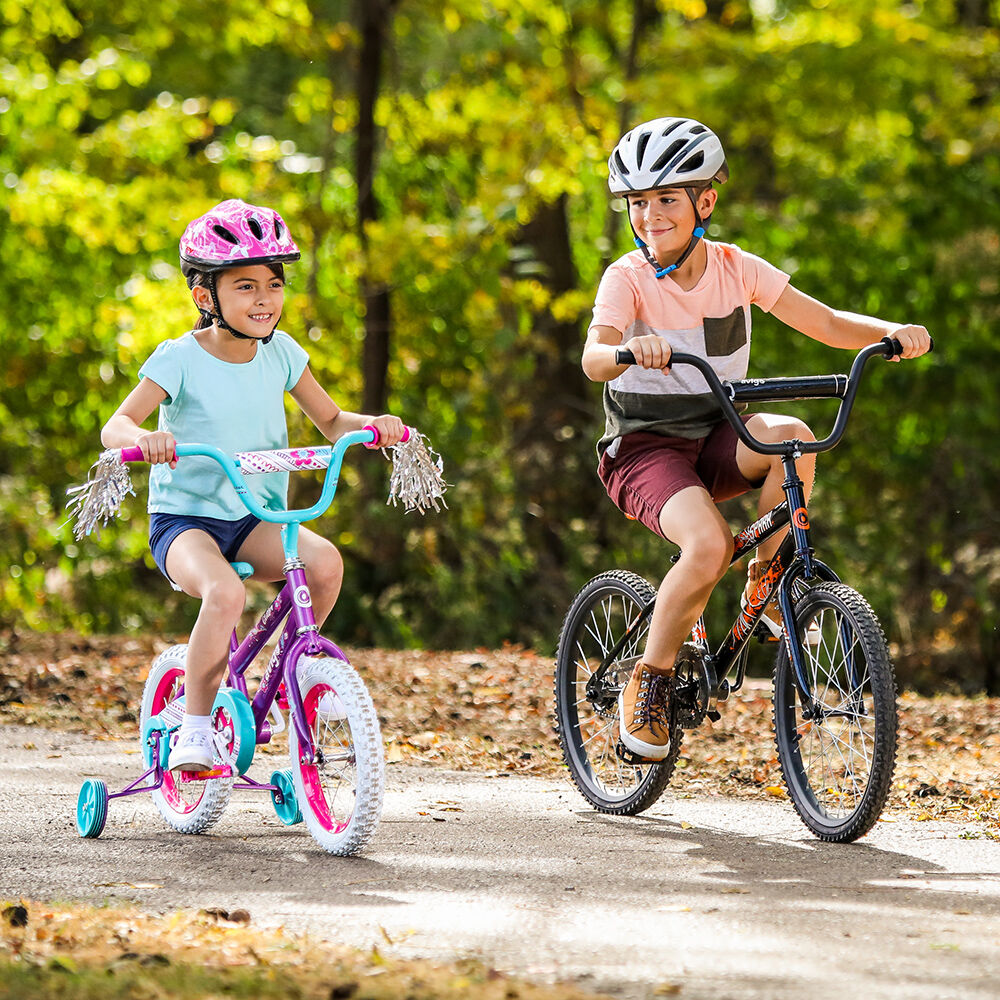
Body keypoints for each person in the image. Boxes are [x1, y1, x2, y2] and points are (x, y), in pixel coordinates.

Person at [582, 117, 932, 762]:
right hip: (644, 449)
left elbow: (823, 321)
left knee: (792, 436)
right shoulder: (625, 277)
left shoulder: (735, 269)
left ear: (704, 203)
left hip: (719, 432)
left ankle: (766, 580)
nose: (650, 215)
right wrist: (631, 349)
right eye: (637, 203)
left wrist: (893, 332)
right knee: (708, 542)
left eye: (666, 199)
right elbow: (594, 359)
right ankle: (648, 683)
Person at [101, 199, 406, 771]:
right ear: (206, 297)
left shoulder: (284, 354)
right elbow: (115, 425)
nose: (264, 299)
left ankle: (291, 678)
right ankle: (194, 727)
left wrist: (376, 426)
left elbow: (333, 421)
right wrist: (146, 441)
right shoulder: (179, 359)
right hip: (186, 522)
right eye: (244, 286)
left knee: (324, 565)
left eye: (273, 284)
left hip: (252, 518)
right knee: (225, 593)